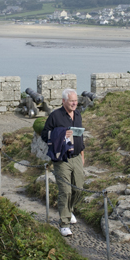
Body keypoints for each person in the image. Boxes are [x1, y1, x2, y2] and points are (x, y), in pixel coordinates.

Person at [40, 88, 85, 237]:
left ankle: (69, 210)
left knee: (78, 188)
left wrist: (82, 155)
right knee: (65, 190)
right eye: (71, 101)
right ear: (63, 101)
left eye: (76, 101)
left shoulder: (78, 114)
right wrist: (59, 133)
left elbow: (80, 137)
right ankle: (64, 223)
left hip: (77, 156)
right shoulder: (55, 116)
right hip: (61, 158)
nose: (74, 103)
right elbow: (44, 135)